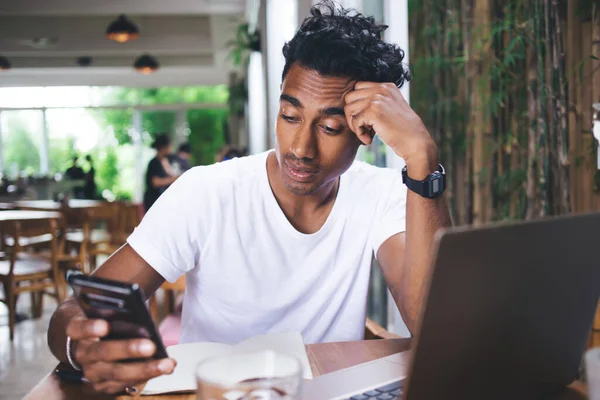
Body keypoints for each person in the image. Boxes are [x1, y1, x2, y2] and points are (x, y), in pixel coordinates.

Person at [47, 2, 452, 395]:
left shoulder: (381, 194)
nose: (300, 147)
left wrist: (422, 158)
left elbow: (434, 329)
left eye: (329, 127)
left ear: (366, 130)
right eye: (290, 117)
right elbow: (71, 312)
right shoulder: (206, 192)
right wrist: (79, 347)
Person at [143, 134, 178, 212]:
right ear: (163, 147)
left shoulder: (166, 161)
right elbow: (155, 182)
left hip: (164, 201)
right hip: (154, 201)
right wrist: (173, 179)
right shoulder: (154, 163)